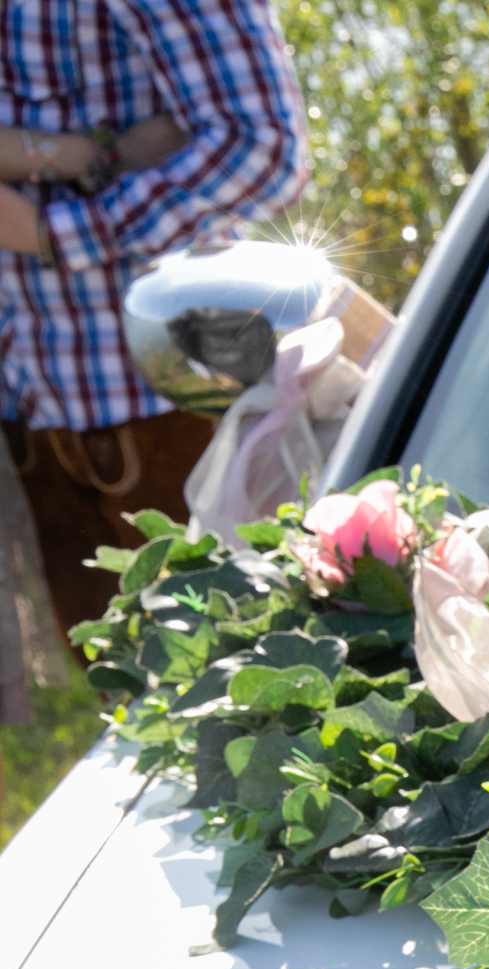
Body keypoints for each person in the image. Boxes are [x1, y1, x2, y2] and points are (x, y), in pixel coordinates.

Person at [0, 0, 308, 638]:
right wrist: (90, 152)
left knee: (253, 679)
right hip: (33, 415)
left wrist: (57, 232)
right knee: (120, 704)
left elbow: (261, 148)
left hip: (182, 398)